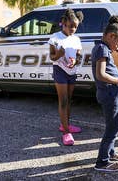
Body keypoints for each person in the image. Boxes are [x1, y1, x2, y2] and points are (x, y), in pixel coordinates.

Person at [92, 16, 118, 172]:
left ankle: (110, 152)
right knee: (112, 128)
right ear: (111, 36)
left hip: (110, 93)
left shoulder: (102, 48)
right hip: (108, 94)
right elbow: (101, 74)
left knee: (113, 125)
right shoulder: (102, 49)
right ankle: (102, 162)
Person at [48, 8, 84, 146]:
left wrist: (76, 60)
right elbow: (52, 57)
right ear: (63, 23)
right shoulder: (55, 37)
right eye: (70, 26)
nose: (73, 29)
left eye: (75, 27)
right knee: (63, 100)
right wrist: (59, 55)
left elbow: (79, 55)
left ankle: (65, 126)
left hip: (72, 71)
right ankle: (66, 133)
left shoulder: (76, 39)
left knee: (69, 100)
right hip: (60, 70)